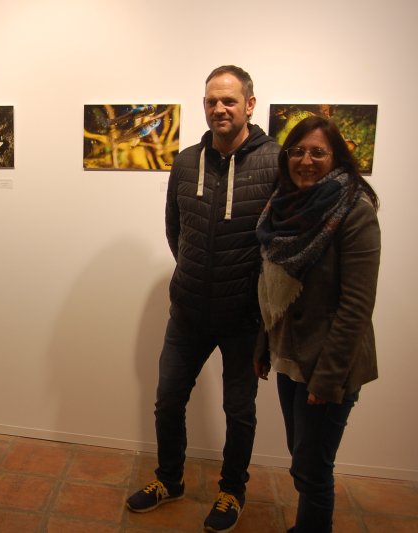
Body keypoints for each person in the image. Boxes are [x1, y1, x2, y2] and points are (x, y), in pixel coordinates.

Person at [126, 65, 280, 532]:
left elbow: (280, 242)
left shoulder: (275, 162)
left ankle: (232, 490)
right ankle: (169, 480)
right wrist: (195, 272)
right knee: (167, 400)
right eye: (212, 100)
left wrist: (257, 304)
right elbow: (176, 230)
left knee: (239, 411)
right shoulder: (186, 160)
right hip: (188, 310)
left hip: (244, 318)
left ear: (250, 105)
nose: (219, 109)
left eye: (229, 101)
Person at [254, 115, 380, 533]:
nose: (305, 160)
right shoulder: (281, 207)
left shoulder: (354, 212)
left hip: (328, 366)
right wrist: (263, 346)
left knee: (312, 469)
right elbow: (272, 287)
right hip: (291, 356)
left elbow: (356, 307)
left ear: (336, 157)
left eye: (318, 152)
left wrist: (327, 380)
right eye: (297, 151)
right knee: (302, 457)